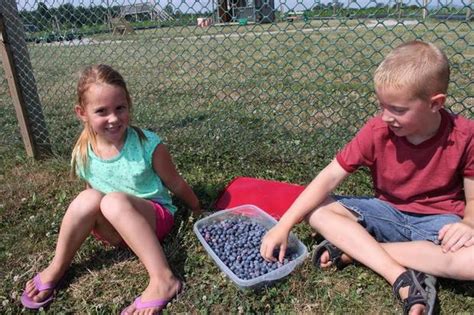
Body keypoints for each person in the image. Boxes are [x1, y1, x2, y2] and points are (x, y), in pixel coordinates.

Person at [260, 40, 473, 314]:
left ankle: (360, 251)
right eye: (382, 106)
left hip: (439, 225)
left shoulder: (466, 135)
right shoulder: (377, 131)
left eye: (397, 109)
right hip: (386, 213)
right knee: (317, 211)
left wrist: (468, 223)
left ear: (436, 103)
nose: (386, 117)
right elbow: (329, 176)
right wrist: (285, 224)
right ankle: (401, 277)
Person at [21, 64, 201, 314]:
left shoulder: (148, 144)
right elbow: (91, 194)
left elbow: (176, 183)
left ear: (129, 104)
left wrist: (197, 207)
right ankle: (57, 266)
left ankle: (164, 279)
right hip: (114, 232)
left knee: (112, 201)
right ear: (82, 113)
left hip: (153, 220)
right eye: (101, 111)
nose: (114, 118)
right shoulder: (83, 151)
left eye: (120, 108)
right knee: (88, 198)